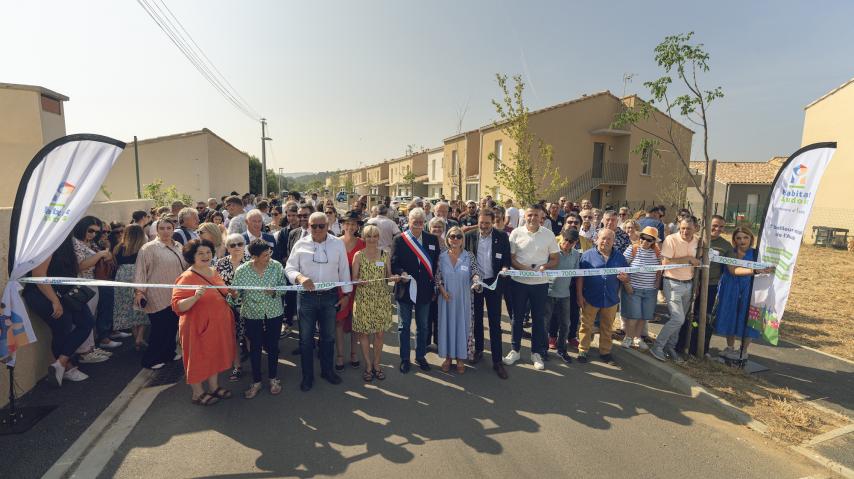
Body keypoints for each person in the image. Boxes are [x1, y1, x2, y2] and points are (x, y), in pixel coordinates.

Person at [286, 212, 353, 391]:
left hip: (330, 296)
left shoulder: (337, 244)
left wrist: (346, 295)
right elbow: (290, 268)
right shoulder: (300, 244)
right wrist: (299, 277)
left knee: (328, 337)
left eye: (320, 226)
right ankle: (307, 376)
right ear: (308, 226)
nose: (316, 229)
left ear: (328, 226)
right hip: (307, 297)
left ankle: (327, 371)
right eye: (312, 226)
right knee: (306, 340)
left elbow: (344, 269)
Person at [23, 235, 95, 386]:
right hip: (43, 294)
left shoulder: (67, 240)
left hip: (66, 293)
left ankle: (60, 363)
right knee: (62, 327)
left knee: (86, 322)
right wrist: (54, 301)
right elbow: (38, 275)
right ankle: (67, 369)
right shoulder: (47, 240)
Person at [171, 239, 236, 405]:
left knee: (214, 356)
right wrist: (195, 296)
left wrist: (231, 292)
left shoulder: (213, 272)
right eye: (200, 253)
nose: (205, 256)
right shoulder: (186, 278)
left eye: (208, 252)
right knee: (197, 358)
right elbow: (178, 306)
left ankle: (214, 387)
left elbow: (222, 291)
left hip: (217, 324)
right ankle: (197, 393)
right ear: (191, 256)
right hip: (197, 326)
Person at [504, 205, 559, 371]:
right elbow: (511, 258)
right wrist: (523, 269)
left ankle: (536, 353)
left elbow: (555, 259)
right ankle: (515, 350)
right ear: (524, 216)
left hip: (539, 284)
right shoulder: (516, 233)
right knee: (517, 318)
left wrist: (545, 266)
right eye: (530, 215)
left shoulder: (548, 235)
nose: (532, 218)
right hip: (518, 282)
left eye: (536, 215)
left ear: (541, 217)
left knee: (538, 319)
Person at [231, 239, 286, 398]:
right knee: (254, 347)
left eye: (269, 254)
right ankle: (256, 381)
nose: (268, 258)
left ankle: (273, 378)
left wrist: (275, 291)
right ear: (253, 257)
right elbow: (236, 294)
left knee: (273, 345)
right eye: (264, 256)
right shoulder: (242, 270)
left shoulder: (276, 266)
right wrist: (233, 295)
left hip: (274, 312)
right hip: (251, 313)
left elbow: (284, 288)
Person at [391, 207, 440, 374]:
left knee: (423, 326)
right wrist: (400, 273)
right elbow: (394, 263)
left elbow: (436, 265)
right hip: (405, 288)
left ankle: (420, 356)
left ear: (424, 222)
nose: (418, 225)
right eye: (415, 222)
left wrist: (436, 285)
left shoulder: (432, 239)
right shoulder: (399, 239)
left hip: (425, 290)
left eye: (421, 222)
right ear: (408, 222)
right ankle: (405, 358)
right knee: (404, 326)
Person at [135, 217, 188, 370]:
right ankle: (150, 360)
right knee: (159, 328)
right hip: (156, 294)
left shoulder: (178, 245)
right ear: (157, 230)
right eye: (162, 228)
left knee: (172, 327)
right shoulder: (148, 248)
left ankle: (168, 353)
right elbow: (140, 271)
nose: (165, 231)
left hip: (176, 293)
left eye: (168, 228)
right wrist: (139, 292)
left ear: (173, 229)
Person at [677, 215, 733, 356]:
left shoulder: (725, 246)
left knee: (702, 318)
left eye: (721, 226)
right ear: (706, 225)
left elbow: (730, 268)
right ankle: (680, 345)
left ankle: (699, 348)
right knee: (686, 315)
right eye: (714, 225)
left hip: (710, 286)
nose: (717, 229)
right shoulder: (697, 241)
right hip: (691, 282)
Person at [464, 208, 511, 379]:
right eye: (481, 222)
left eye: (487, 223)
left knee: (495, 322)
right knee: (476, 319)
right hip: (476, 282)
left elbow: (506, 258)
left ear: (493, 222)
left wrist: (505, 268)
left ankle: (497, 361)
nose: (483, 226)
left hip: (493, 283)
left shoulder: (502, 236)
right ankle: (478, 351)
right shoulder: (469, 236)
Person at [715, 227, 774, 361]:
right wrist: (755, 270)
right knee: (729, 315)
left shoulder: (757, 254)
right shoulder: (730, 252)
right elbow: (732, 270)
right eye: (738, 238)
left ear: (751, 239)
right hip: (730, 287)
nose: (742, 241)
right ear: (734, 240)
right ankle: (730, 347)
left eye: (745, 237)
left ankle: (744, 350)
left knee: (748, 318)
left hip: (750, 288)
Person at [576, 228, 631, 364]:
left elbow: (626, 275)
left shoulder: (620, 257)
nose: (605, 242)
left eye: (609, 239)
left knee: (607, 327)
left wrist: (625, 279)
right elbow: (580, 278)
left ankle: (605, 352)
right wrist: (579, 295)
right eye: (603, 238)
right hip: (591, 297)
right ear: (597, 239)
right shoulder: (587, 255)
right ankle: (583, 350)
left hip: (611, 299)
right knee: (586, 325)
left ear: (613, 241)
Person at [352, 224, 398, 381]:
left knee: (379, 333)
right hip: (364, 298)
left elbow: (388, 275)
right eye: (368, 236)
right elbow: (353, 279)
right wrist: (359, 281)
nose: (372, 239)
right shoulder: (358, 255)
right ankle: (368, 365)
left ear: (379, 237)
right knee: (364, 333)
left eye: (375, 236)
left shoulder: (385, 255)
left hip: (381, 298)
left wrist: (394, 277)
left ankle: (377, 364)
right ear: (364, 238)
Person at [650, 217, 700, 363]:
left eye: (688, 229)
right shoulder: (671, 239)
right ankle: (657, 346)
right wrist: (688, 259)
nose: (685, 231)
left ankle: (670, 347)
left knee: (680, 321)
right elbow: (666, 262)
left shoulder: (698, 242)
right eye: (682, 228)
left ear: (695, 228)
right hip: (672, 283)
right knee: (678, 318)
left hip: (688, 283)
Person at [436, 226, 481, 374]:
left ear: (463, 239)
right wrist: (442, 290)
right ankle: (448, 357)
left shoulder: (469, 256)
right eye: (452, 236)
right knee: (447, 327)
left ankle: (461, 358)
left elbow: (475, 272)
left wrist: (476, 279)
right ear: (448, 239)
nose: (455, 239)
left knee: (463, 327)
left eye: (458, 236)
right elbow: (437, 277)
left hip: (464, 300)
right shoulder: (442, 256)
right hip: (446, 299)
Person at [73, 216, 117, 354]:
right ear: (82, 227)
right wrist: (100, 255)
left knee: (91, 318)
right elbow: (79, 266)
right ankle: (84, 351)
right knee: (85, 320)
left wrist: (106, 254)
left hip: (93, 282)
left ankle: (90, 348)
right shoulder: (75, 243)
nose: (93, 234)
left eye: (96, 232)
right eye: (90, 230)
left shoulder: (89, 243)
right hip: (82, 285)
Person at [215, 233, 250, 381]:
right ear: (227, 248)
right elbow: (215, 284)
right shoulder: (220, 263)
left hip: (249, 305)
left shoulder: (251, 262)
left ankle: (255, 364)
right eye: (232, 245)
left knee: (251, 335)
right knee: (233, 337)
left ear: (245, 246)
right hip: (227, 306)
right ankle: (237, 367)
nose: (236, 247)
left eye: (240, 244)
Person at [621, 226, 662, 351]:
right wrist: (627, 285)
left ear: (653, 241)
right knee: (633, 316)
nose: (645, 241)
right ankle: (628, 337)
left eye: (649, 240)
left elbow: (659, 268)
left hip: (650, 290)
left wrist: (657, 282)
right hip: (633, 289)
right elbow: (622, 267)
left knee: (643, 316)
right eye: (643, 238)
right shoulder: (632, 249)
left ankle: (637, 338)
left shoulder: (657, 252)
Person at [545, 230, 581, 362]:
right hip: (548, 292)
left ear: (575, 243)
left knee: (566, 324)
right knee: (545, 323)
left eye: (571, 242)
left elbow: (577, 274)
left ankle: (562, 350)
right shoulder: (552, 251)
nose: (566, 243)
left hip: (565, 294)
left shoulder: (576, 255)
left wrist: (579, 294)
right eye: (565, 239)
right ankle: (543, 350)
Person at [112, 224, 150, 351]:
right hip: (139, 276)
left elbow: (115, 263)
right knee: (142, 306)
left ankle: (136, 338)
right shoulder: (144, 248)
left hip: (122, 276)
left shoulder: (118, 247)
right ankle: (140, 337)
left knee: (128, 307)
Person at [335, 211, 364, 370]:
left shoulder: (363, 243)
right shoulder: (335, 242)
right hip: (339, 289)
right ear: (342, 225)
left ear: (357, 226)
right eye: (347, 223)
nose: (350, 226)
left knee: (355, 322)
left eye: (353, 223)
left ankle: (353, 353)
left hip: (357, 289)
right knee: (338, 321)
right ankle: (340, 355)